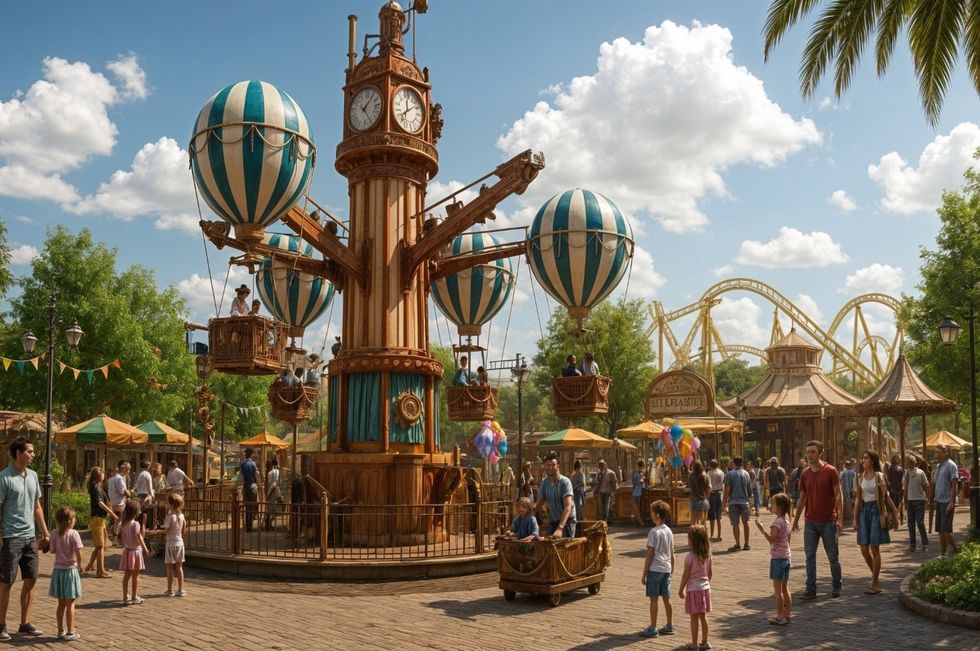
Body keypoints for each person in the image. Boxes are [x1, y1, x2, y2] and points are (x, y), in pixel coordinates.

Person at [0, 437, 49, 640]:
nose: (33, 454)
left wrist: (45, 532)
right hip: (11, 537)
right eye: (29, 451)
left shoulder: (33, 476)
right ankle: (1, 625)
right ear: (18, 453)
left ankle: (24, 623)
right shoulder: (4, 478)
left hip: (30, 537)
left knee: (31, 580)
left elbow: (37, 507)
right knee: (6, 582)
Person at [792, 440, 843, 600]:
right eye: (807, 452)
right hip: (811, 522)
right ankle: (811, 589)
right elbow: (802, 498)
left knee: (833, 557)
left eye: (812, 452)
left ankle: (836, 586)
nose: (809, 455)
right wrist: (796, 519)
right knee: (809, 556)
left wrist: (840, 517)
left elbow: (838, 494)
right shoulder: (805, 473)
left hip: (829, 520)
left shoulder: (830, 471)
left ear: (820, 453)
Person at [854, 450, 890, 595]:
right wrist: (855, 519)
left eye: (866, 458)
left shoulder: (879, 476)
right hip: (864, 512)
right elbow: (857, 499)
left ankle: (874, 582)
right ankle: (875, 576)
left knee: (874, 548)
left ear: (873, 461)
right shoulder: (860, 477)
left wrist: (895, 514)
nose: (863, 460)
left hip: (876, 511)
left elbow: (886, 497)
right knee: (864, 548)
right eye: (862, 458)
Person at [755, 492, 792, 625]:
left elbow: (771, 539)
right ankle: (787, 614)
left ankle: (780, 615)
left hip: (778, 559)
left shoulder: (777, 522)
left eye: (773, 504)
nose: (771, 506)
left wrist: (761, 529)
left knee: (777, 591)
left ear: (780, 507)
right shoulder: (787, 521)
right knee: (785, 588)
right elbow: (788, 540)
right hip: (786, 557)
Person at [640, 500, 675, 638]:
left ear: (658, 515)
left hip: (655, 569)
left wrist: (644, 574)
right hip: (666, 568)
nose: (651, 514)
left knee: (654, 600)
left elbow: (650, 554)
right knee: (667, 598)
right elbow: (673, 554)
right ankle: (669, 624)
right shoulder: (669, 531)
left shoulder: (653, 532)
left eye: (652, 512)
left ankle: (653, 627)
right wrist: (671, 568)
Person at [47, 506, 83, 641]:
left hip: (58, 572)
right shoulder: (74, 534)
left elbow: (52, 550)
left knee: (60, 604)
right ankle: (70, 632)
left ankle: (60, 631)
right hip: (70, 571)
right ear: (70, 521)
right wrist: (80, 566)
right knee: (71, 604)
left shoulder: (54, 533)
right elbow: (79, 552)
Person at [677, 524, 712, 650]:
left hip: (693, 590)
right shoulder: (708, 555)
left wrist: (681, 589)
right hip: (705, 589)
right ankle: (705, 641)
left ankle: (694, 643)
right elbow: (710, 574)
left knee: (694, 618)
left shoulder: (689, 557)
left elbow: (685, 576)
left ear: (692, 540)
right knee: (703, 616)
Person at [82, 467, 116, 578]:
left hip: (101, 519)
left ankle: (89, 567)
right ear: (98, 475)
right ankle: (100, 571)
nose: (104, 475)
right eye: (102, 473)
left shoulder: (99, 486)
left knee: (100, 545)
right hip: (97, 518)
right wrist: (112, 513)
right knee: (100, 546)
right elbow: (100, 503)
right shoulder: (95, 487)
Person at [534, 453, 576, 538]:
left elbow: (568, 507)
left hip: (567, 520)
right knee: (547, 545)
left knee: (565, 547)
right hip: (554, 520)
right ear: (545, 467)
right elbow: (539, 504)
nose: (550, 467)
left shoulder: (565, 482)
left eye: (553, 465)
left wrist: (560, 528)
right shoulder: (545, 483)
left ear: (558, 466)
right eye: (547, 465)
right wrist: (526, 512)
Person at [117, 500, 149, 606]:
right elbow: (139, 537)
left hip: (127, 552)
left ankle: (125, 596)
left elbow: (120, 538)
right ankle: (135, 596)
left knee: (126, 576)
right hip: (135, 552)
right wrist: (145, 549)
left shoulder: (122, 524)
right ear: (136, 512)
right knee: (135, 576)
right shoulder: (136, 524)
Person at [933, 444, 960, 558]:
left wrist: (952, 501)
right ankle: (943, 553)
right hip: (939, 501)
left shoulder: (951, 465)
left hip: (947, 501)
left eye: (938, 452)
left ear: (945, 452)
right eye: (936, 452)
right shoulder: (939, 466)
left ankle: (956, 551)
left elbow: (954, 484)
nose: (936, 454)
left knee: (946, 529)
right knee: (940, 529)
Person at [722, 456, 752, 551]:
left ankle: (738, 543)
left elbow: (727, 490)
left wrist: (724, 504)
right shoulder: (746, 474)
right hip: (745, 502)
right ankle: (746, 544)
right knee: (745, 522)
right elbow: (749, 490)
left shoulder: (730, 474)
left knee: (735, 524)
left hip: (733, 502)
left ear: (734, 463)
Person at [162, 494, 188, 597]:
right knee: (179, 567)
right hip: (179, 543)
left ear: (170, 504)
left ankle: (170, 590)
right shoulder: (181, 516)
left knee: (169, 568)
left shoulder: (169, 516)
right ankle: (180, 589)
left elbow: (166, 530)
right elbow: (184, 529)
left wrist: (159, 530)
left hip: (171, 543)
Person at [904, 455, 930, 552]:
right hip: (910, 501)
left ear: (914, 463)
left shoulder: (920, 473)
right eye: (908, 462)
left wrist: (927, 497)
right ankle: (912, 545)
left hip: (920, 500)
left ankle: (924, 543)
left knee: (920, 522)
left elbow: (926, 485)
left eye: (911, 462)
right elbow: (905, 488)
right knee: (911, 524)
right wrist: (905, 500)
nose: (909, 464)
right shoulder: (906, 474)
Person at [107, 461, 130, 542]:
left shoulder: (111, 479)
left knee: (115, 521)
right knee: (120, 521)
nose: (129, 471)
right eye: (128, 469)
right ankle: (115, 538)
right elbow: (123, 491)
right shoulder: (119, 478)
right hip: (119, 503)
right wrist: (130, 495)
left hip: (112, 502)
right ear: (123, 469)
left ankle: (115, 537)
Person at [239, 448, 259, 533]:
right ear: (252, 454)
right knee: (253, 506)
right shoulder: (253, 464)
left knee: (247, 506)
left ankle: (248, 526)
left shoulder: (242, 464)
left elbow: (240, 477)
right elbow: (257, 474)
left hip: (246, 487)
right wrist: (260, 485)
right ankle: (251, 524)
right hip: (253, 486)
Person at [592, 460, 618, 524]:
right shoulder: (598, 474)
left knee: (607, 507)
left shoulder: (611, 473)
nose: (601, 467)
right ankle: (601, 521)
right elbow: (597, 483)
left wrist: (614, 492)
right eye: (599, 465)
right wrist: (595, 490)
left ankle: (606, 521)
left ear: (605, 465)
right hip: (601, 492)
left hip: (608, 492)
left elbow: (614, 483)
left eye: (602, 465)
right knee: (601, 507)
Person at [706, 460, 725, 542]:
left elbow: (707, 485)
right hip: (719, 494)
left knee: (712, 516)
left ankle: (712, 534)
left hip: (712, 494)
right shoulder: (721, 473)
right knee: (718, 516)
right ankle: (719, 535)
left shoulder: (708, 473)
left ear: (710, 465)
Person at [687, 461, 710, 527]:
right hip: (703, 500)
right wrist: (706, 496)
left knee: (693, 523)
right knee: (703, 523)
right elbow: (708, 488)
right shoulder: (705, 476)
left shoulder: (691, 476)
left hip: (693, 500)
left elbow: (689, 485)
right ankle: (703, 535)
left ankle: (693, 535)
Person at [265, 459, 283, 531]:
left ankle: (269, 524)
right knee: (274, 509)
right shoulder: (275, 472)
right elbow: (275, 484)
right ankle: (269, 523)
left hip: (269, 492)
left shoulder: (268, 473)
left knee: (269, 509)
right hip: (273, 492)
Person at [887, 454, 904, 524]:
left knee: (893, 506)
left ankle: (895, 520)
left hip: (892, 489)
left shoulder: (890, 468)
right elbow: (902, 480)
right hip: (899, 489)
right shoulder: (900, 468)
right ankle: (899, 520)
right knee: (899, 504)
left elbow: (889, 479)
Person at [840, 459, 856, 523]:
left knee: (844, 503)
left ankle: (844, 516)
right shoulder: (853, 472)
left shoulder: (842, 473)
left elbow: (841, 483)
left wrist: (841, 489)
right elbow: (854, 482)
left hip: (844, 490)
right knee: (851, 503)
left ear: (845, 465)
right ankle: (850, 517)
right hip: (851, 490)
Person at [570, 460, 586, 527]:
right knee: (578, 506)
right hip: (577, 492)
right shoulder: (576, 474)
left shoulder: (577, 474)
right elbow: (581, 483)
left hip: (578, 492)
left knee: (579, 506)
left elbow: (582, 484)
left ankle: (579, 519)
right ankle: (578, 519)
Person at [631, 460, 647, 526]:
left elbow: (636, 481)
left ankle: (638, 520)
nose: (639, 467)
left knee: (638, 505)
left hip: (639, 489)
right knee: (637, 505)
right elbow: (638, 481)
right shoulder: (638, 472)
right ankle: (638, 520)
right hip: (638, 489)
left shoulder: (640, 472)